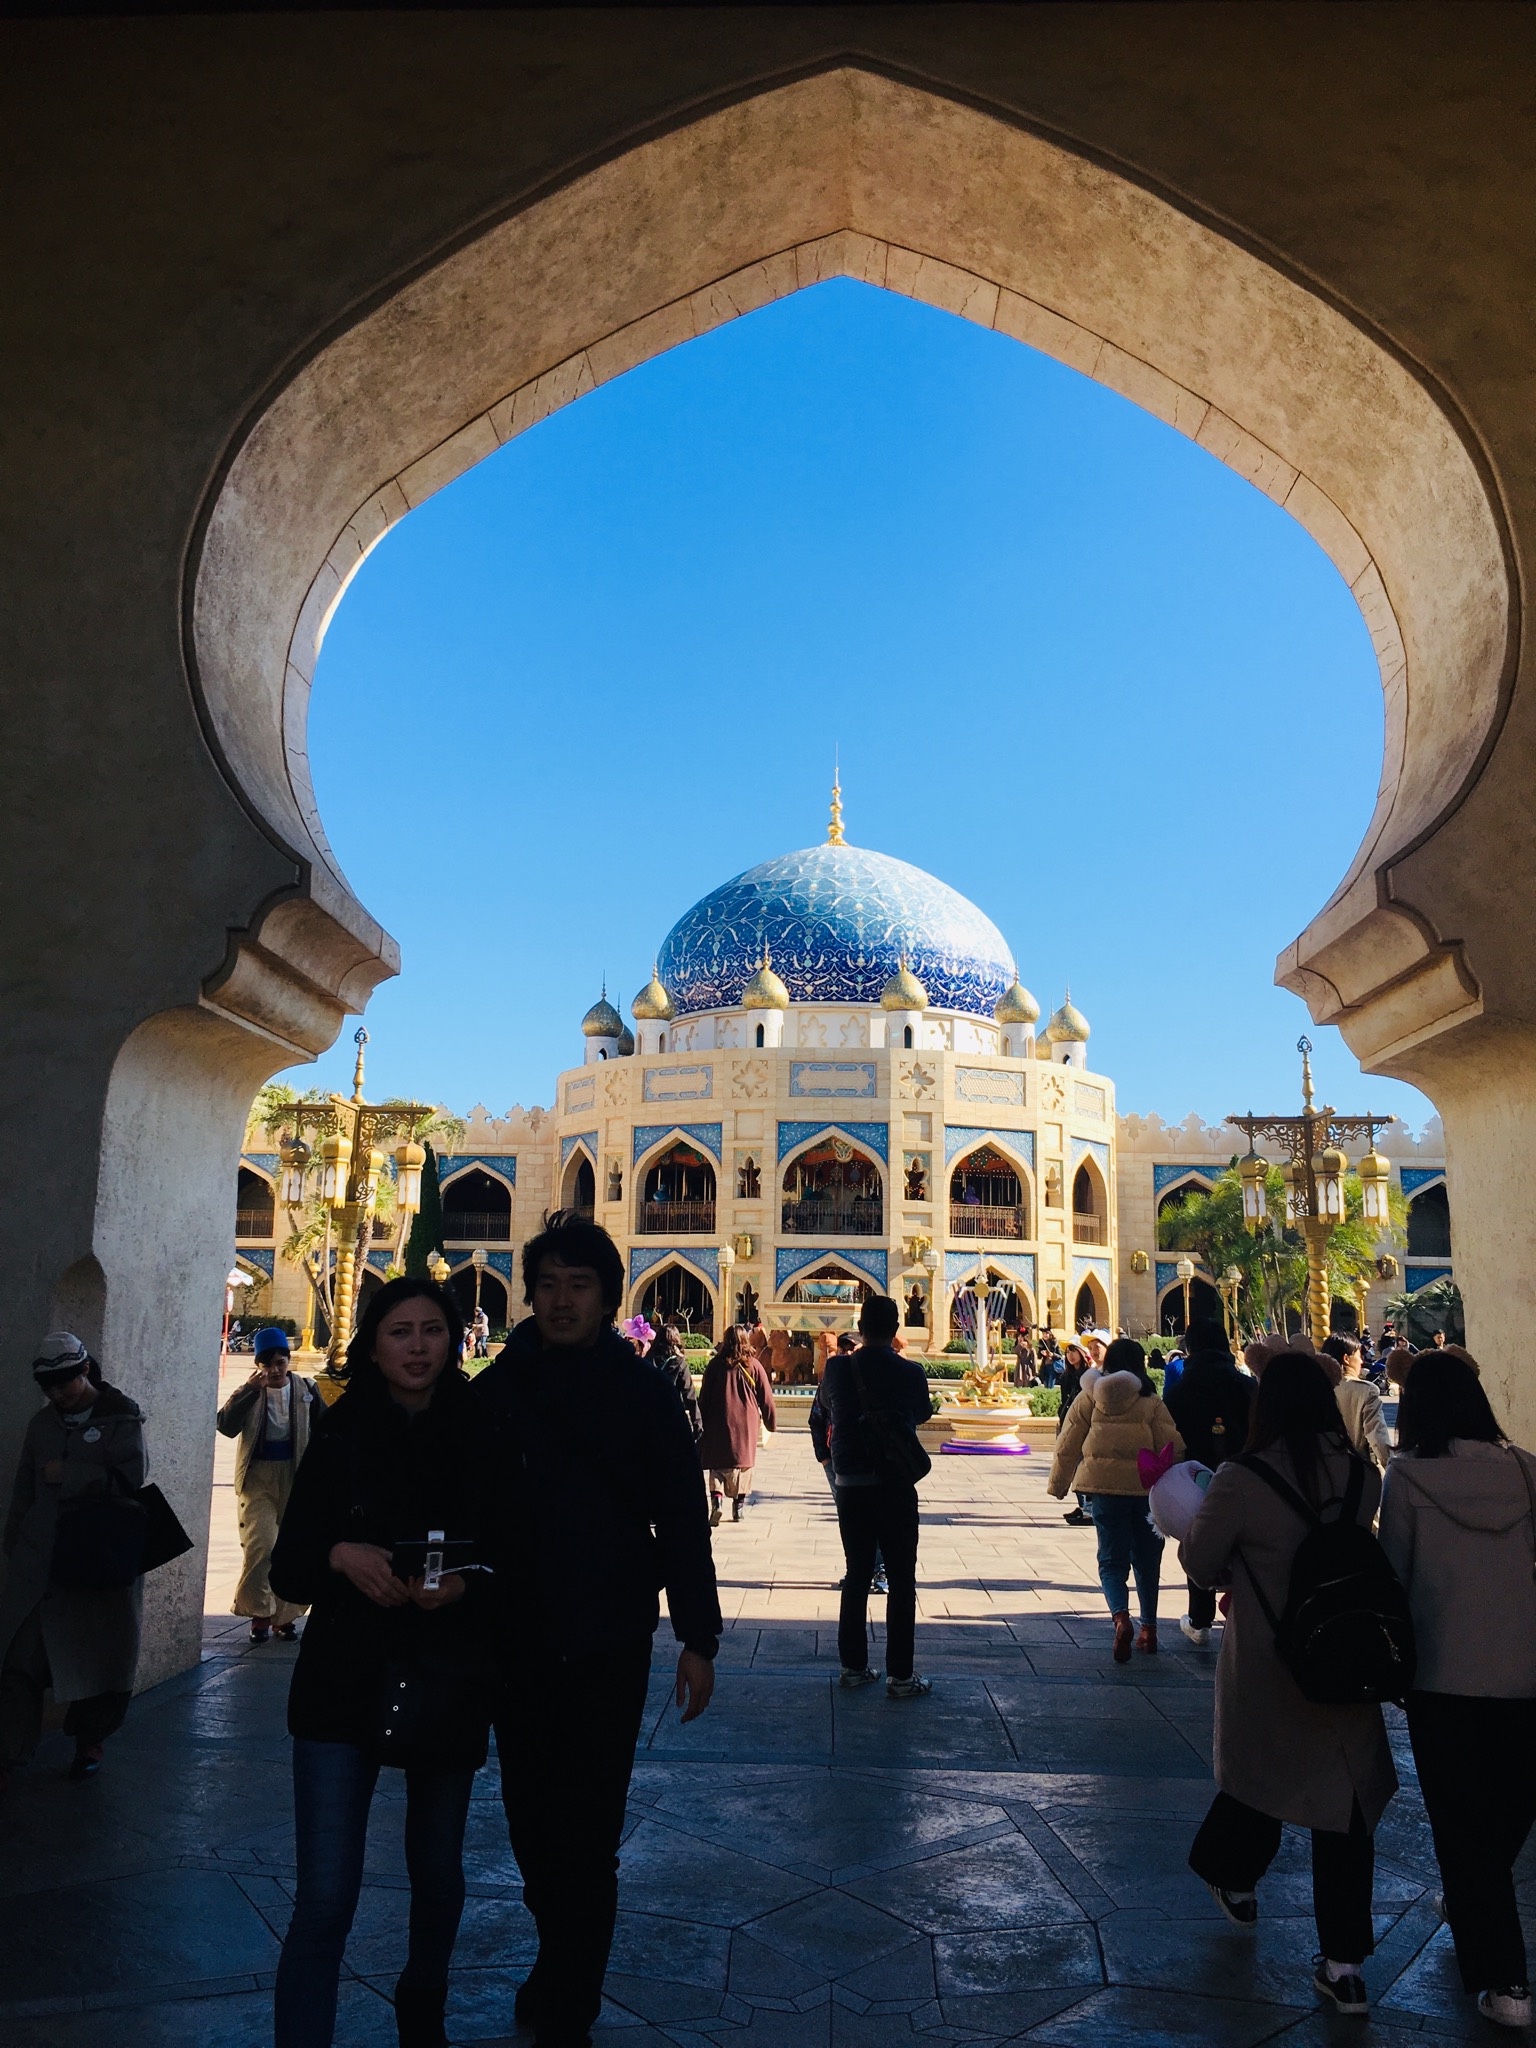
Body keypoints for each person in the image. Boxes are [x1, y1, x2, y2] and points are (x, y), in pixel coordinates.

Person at [470, 1212, 720, 2048]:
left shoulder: (641, 1390)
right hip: (517, 1638)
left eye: (579, 1286)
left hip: (608, 1639)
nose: (561, 1300)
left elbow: (683, 1517)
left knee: (590, 1829)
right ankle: (558, 1952)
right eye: (547, 1285)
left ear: (610, 1298)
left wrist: (699, 1636)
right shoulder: (500, 1387)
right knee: (530, 1819)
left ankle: (571, 1993)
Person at [267, 1278, 493, 2048]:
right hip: (343, 1684)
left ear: (455, 1339)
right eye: (400, 1331)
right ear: (373, 1342)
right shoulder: (340, 1432)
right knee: (325, 1896)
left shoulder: (479, 1430)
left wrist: (463, 1583)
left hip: (445, 1680)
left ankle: (422, 2003)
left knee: (436, 1873)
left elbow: (515, 1559)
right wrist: (338, 1553)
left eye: (434, 1330)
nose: (419, 1346)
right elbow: (288, 1569)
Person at [1181, 1351, 1397, 2018]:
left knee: (1261, 1777)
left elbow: (1199, 1558)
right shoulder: (1362, 1476)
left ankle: (1236, 1879)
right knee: (1344, 1811)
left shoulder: (1243, 1478)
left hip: (1272, 1660)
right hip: (1345, 1654)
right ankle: (1346, 1966)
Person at [1379, 1351, 1536, 2029]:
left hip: (1442, 1672)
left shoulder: (1407, 1479)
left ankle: (1505, 1982)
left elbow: (1396, 1577)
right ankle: (1475, 1905)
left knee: (1462, 1824)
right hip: (1526, 1671)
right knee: (1506, 1813)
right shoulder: (1527, 1470)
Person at [0, 1331, 146, 1787]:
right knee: (19, 1658)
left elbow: (130, 1480)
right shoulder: (42, 1425)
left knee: (99, 1661)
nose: (57, 1394)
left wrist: (73, 1474)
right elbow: (24, 1488)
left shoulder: (122, 1418)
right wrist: (16, 1546)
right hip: (40, 1563)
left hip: (97, 1564)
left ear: (84, 1371)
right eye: (49, 1387)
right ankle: (10, 1753)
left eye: (64, 1384)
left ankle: (90, 1741)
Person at [821, 1295, 933, 1698]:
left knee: (857, 1574)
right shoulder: (910, 1372)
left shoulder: (836, 1369)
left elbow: (825, 1411)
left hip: (851, 1483)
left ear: (860, 1327)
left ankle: (852, 1666)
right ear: (896, 1329)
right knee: (901, 1578)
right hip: (894, 1484)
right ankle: (900, 1676)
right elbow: (922, 1413)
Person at [1049, 1337, 1183, 1660]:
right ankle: (1149, 1629)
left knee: (1111, 1560)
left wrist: (1059, 1484)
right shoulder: (1150, 1401)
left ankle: (1121, 1617)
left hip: (1105, 1491)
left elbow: (1067, 1443)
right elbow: (1173, 1446)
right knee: (1148, 1560)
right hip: (1145, 1491)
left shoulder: (1089, 1397)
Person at [217, 1325, 319, 1643]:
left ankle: (284, 1616)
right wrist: (247, 1391)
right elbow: (225, 1426)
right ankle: (260, 1612)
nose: (275, 1370)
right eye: (268, 1364)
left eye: (280, 1363)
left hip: (294, 1474)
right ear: (258, 1365)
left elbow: (326, 1429)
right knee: (261, 1545)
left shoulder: (306, 1389)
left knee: (290, 1547)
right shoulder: (251, 1391)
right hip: (258, 1477)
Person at [1163, 1319, 1253, 1646]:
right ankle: (1243, 1611)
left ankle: (1200, 1619)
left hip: (1195, 1479)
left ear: (1190, 1348)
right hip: (1245, 1476)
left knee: (1198, 1542)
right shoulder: (1245, 1386)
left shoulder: (1180, 1391)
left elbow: (1169, 1439)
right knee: (1244, 1546)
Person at [812, 1334, 887, 1597]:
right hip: (838, 1460)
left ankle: (878, 1570)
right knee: (849, 1517)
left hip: (871, 1458)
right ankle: (857, 1568)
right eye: (841, 1348)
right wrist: (823, 1455)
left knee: (874, 1515)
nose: (845, 1352)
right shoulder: (833, 1378)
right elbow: (816, 1416)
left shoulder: (876, 1375)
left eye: (850, 1348)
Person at [698, 1322, 776, 1525]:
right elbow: (766, 1397)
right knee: (743, 1466)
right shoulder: (754, 1365)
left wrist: (701, 1422)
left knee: (717, 1467)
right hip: (746, 1424)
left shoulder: (715, 1365)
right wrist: (771, 1422)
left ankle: (717, 1502)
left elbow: (704, 1397)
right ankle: (738, 1507)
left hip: (719, 1421)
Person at [1321, 1334, 1393, 1468]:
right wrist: (1392, 1468)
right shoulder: (1365, 1391)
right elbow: (1378, 1437)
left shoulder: (1315, 1390)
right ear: (1346, 1359)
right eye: (1359, 1355)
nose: (1361, 1361)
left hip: (1323, 1472)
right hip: (1357, 1472)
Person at [1055, 1341, 1093, 1525]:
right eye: (1068, 1352)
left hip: (1083, 1426)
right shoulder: (1066, 1376)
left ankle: (1088, 1508)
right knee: (1073, 1467)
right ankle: (1083, 1506)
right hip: (1068, 1424)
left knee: (1082, 1467)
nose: (1070, 1355)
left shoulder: (1088, 1376)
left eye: (1074, 1351)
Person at [647, 1321, 702, 1445]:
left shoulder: (647, 1360)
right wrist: (697, 1424)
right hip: (672, 1418)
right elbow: (689, 1396)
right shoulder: (679, 1363)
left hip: (648, 1417)